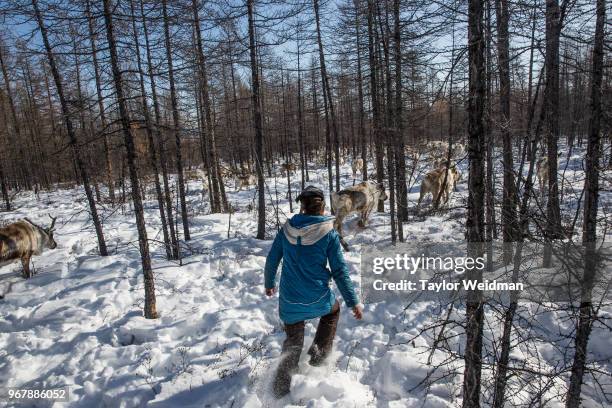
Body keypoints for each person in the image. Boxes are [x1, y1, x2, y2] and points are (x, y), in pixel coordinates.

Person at [264, 185, 363, 398]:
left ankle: (280, 389)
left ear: (302, 206)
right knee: (332, 311)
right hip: (318, 298)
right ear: (322, 206)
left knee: (293, 342)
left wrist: (269, 283)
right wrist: (353, 302)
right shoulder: (329, 233)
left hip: (290, 301)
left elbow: (272, 258)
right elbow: (339, 271)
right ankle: (318, 357)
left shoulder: (286, 229)